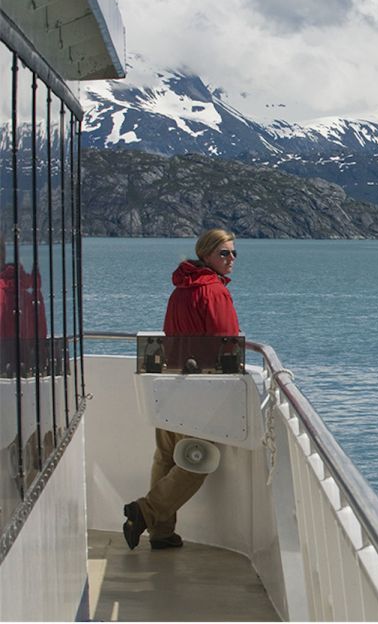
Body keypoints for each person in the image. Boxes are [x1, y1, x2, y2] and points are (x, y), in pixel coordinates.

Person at [122, 228, 240, 550]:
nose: (231, 260)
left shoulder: (180, 290)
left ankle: (161, 533)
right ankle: (145, 511)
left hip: (170, 379)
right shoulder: (213, 291)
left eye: (233, 253)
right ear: (206, 255)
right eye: (224, 253)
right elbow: (225, 341)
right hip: (200, 387)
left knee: (166, 455)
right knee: (198, 460)